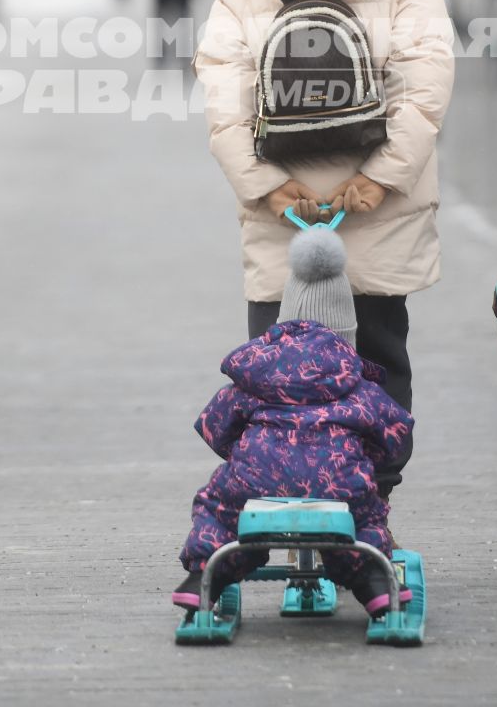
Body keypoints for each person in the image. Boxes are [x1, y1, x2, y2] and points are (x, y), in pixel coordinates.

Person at [194, 0, 454, 494]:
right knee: (379, 368)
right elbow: (425, 93)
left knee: (278, 377)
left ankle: (289, 510)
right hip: (378, 214)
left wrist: (271, 188)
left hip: (285, 219)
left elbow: (225, 102)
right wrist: (377, 179)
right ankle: (371, 507)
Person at [172, 231, 414, 615]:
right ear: (346, 336)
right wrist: (368, 455)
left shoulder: (256, 376)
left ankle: (203, 576)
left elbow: (212, 424)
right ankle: (373, 583)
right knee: (363, 519)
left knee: (219, 511)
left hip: (257, 481)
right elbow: (397, 433)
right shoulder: (357, 384)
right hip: (337, 481)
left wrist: (243, 450)